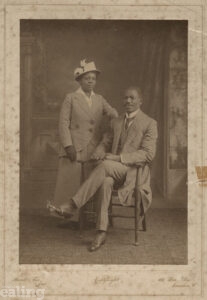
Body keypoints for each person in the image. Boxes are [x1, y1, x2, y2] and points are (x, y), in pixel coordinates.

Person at [49, 86, 158, 251]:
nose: (128, 101)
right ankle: (101, 231)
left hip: (133, 172)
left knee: (106, 165)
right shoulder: (117, 121)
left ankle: (72, 205)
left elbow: (148, 154)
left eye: (132, 98)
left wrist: (118, 158)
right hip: (112, 171)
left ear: (140, 101)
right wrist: (98, 153)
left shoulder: (149, 123)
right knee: (106, 181)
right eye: (125, 98)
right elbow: (105, 142)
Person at [49, 59, 118, 218]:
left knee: (88, 181)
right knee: (71, 181)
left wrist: (115, 118)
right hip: (75, 145)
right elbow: (63, 123)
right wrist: (68, 145)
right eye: (87, 78)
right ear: (79, 80)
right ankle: (66, 218)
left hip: (93, 146)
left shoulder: (99, 99)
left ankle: (88, 217)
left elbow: (113, 113)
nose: (90, 82)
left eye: (93, 79)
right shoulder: (71, 98)